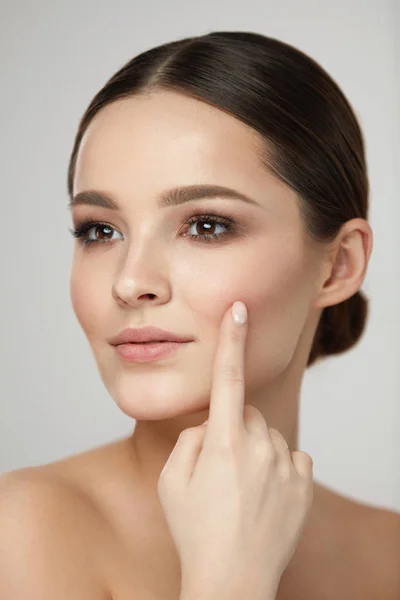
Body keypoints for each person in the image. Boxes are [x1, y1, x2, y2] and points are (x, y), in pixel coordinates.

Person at [1, 30, 399, 600]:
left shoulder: (389, 555)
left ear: (338, 265)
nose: (131, 281)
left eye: (206, 225)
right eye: (100, 230)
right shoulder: (20, 535)